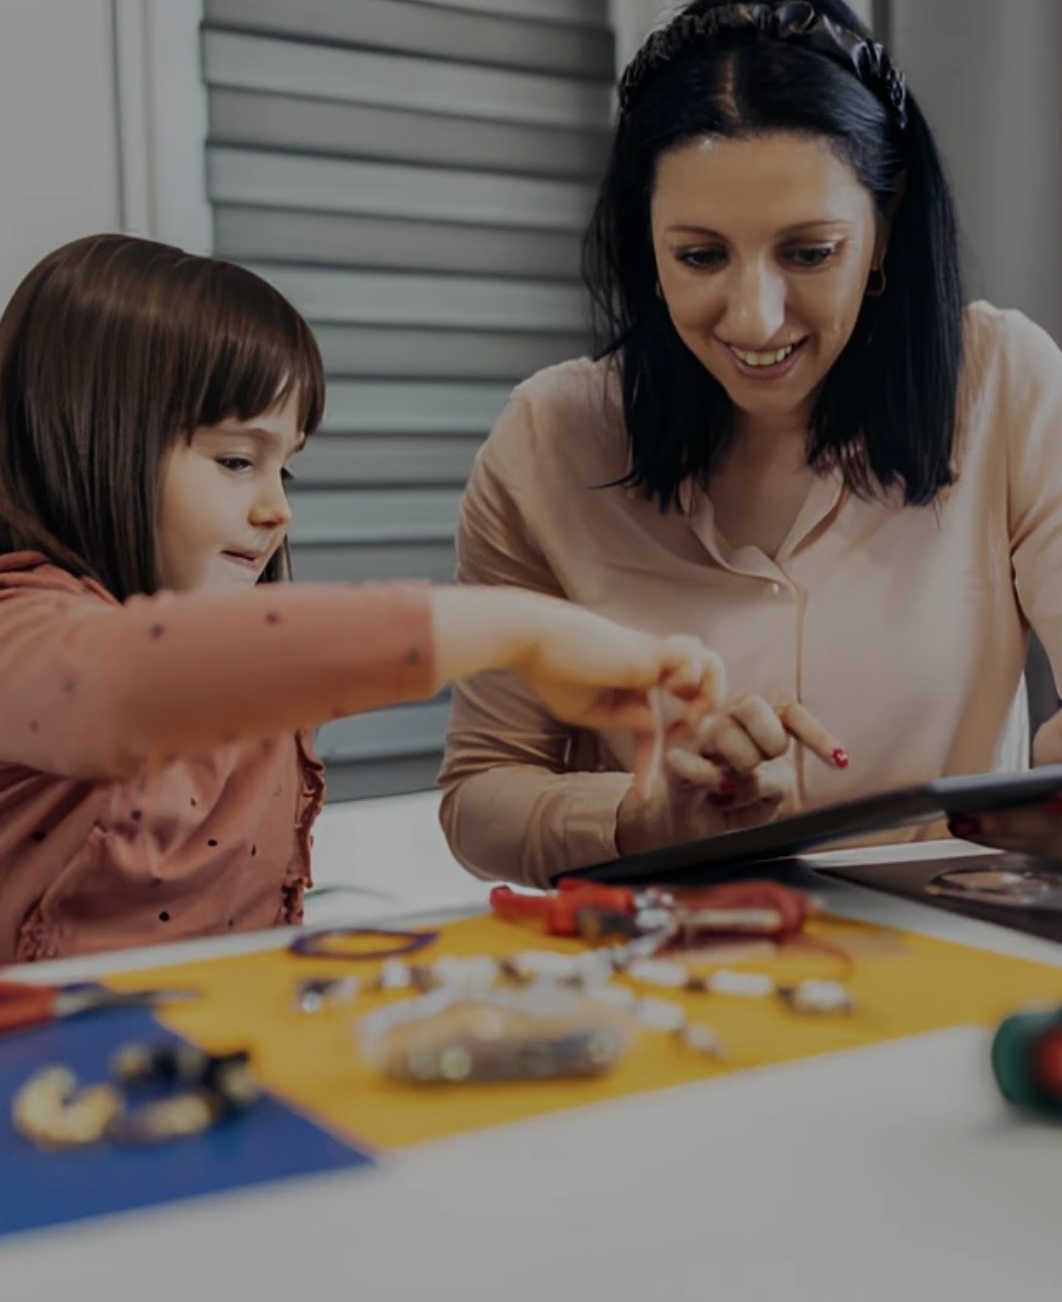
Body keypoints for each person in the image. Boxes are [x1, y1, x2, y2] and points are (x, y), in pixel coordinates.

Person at [438, 0, 1062, 887]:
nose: (755, 317)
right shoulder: (548, 441)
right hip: (671, 982)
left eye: (809, 253)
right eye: (699, 257)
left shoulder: (1007, 384)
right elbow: (480, 793)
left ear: (883, 227)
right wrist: (644, 815)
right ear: (645, 243)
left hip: (947, 968)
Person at [0, 233, 725, 963]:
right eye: (236, 461)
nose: (276, 509)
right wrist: (525, 633)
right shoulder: (20, 631)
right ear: (87, 440)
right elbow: (126, 678)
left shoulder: (247, 678)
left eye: (287, 471)